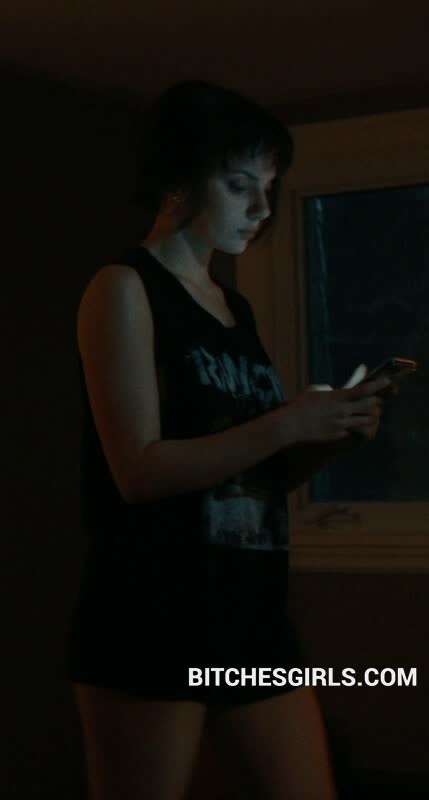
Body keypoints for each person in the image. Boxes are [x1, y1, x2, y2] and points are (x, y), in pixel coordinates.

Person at [67, 80, 395, 800]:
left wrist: (324, 440)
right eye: (240, 185)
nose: (261, 209)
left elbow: (242, 473)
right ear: (180, 182)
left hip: (250, 615)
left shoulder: (232, 308)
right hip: (152, 612)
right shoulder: (124, 287)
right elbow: (139, 471)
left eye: (268, 190)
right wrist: (286, 422)